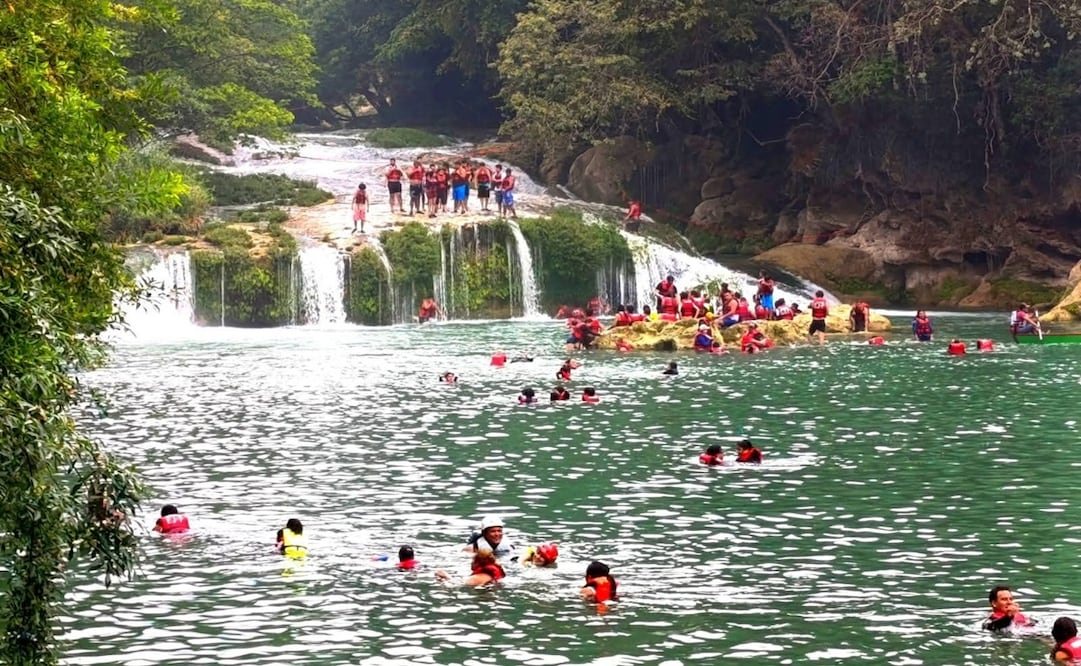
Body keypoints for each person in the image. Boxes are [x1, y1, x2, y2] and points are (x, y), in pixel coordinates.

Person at [436, 550, 505, 587]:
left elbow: (456, 584)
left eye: (473, 560)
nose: (471, 563)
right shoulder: (493, 574)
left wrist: (445, 576)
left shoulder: (477, 578)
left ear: (477, 562)